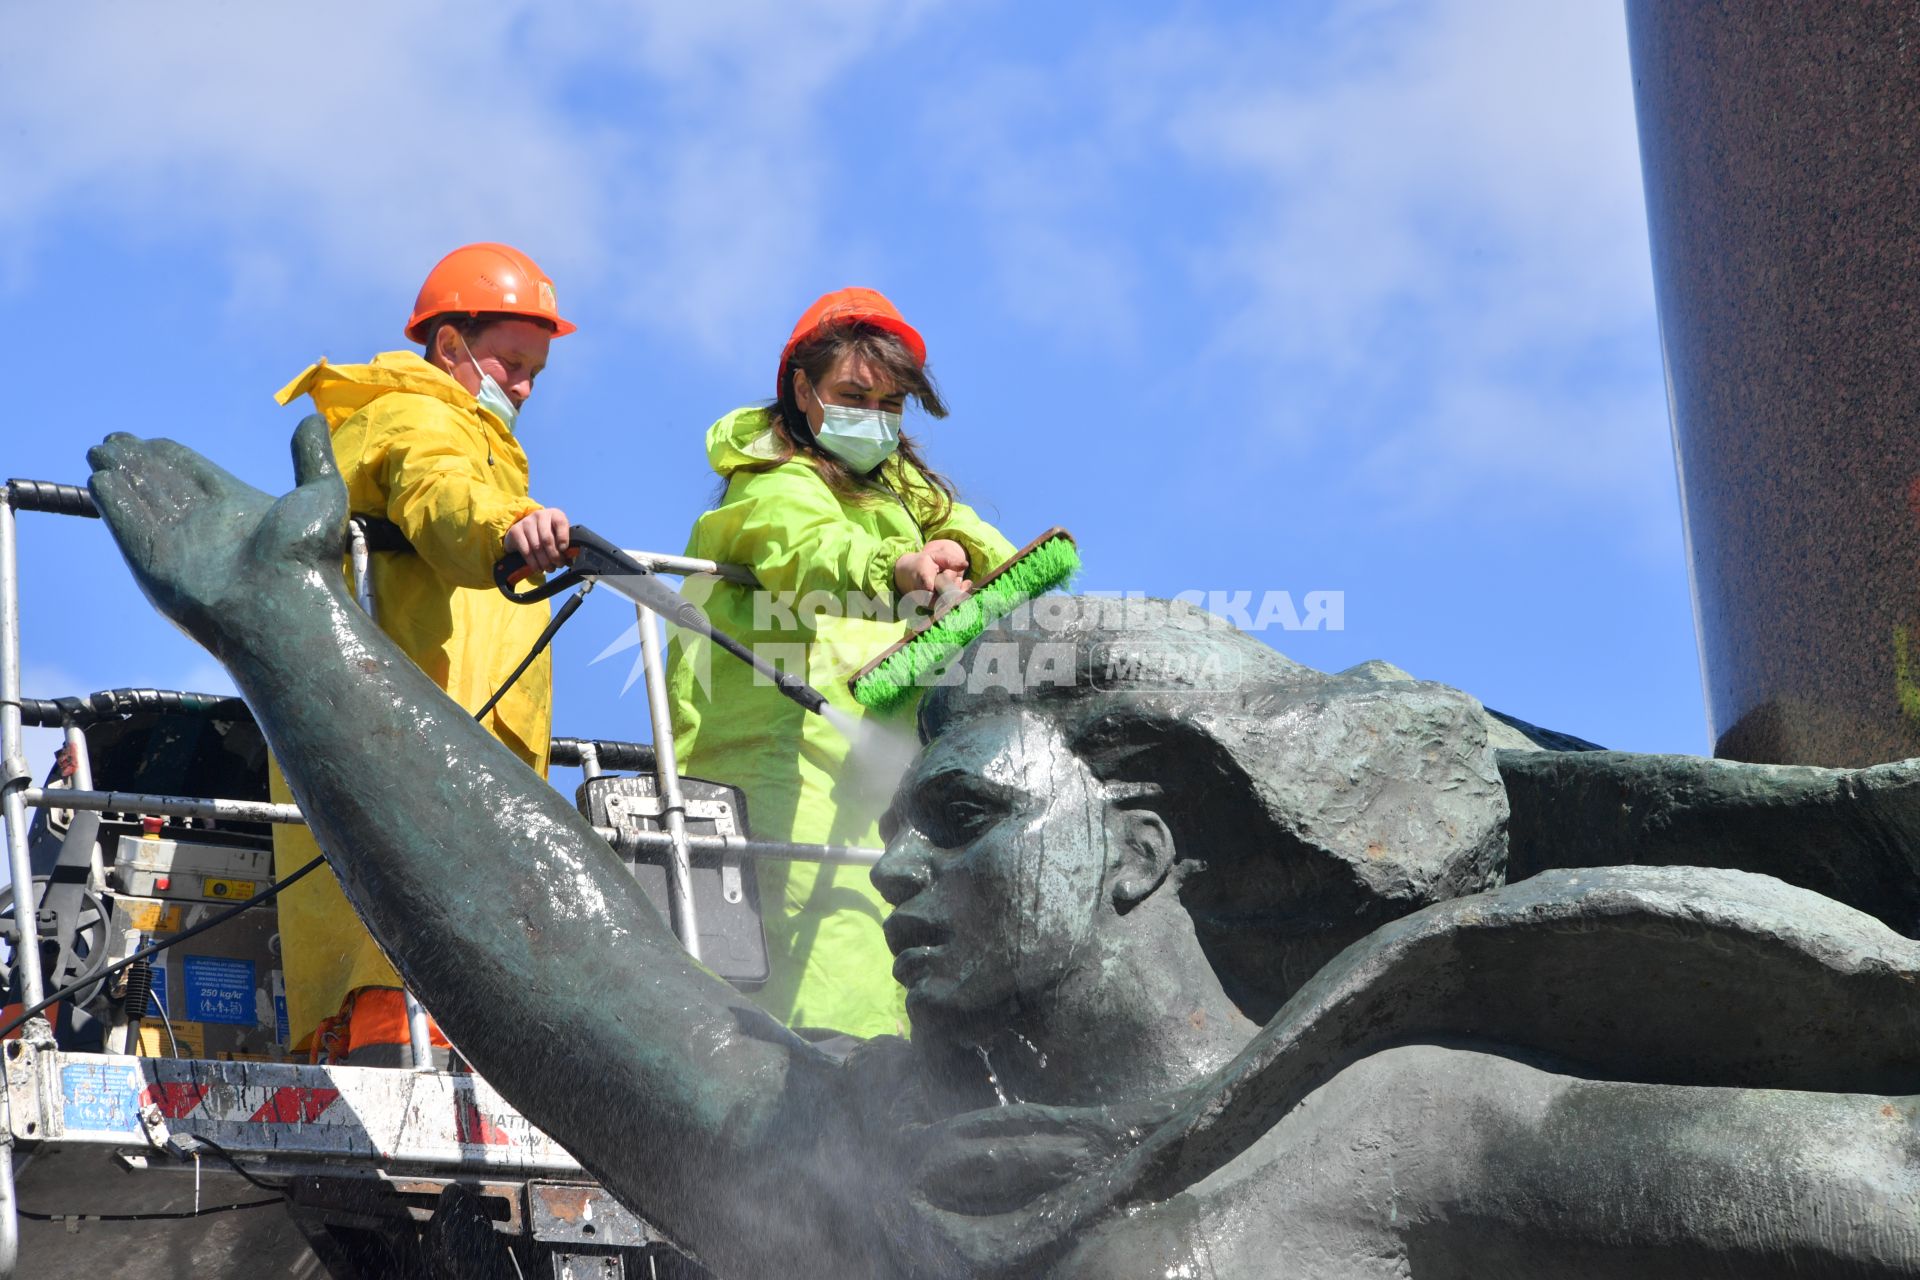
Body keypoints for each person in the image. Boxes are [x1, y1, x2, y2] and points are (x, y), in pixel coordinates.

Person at [82, 431, 1920, 1277]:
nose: (895, 874)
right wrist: (295, 636)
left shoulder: (1417, 1122)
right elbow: (573, 970)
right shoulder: (889, 1186)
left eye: (963, 822)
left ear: (1137, 849)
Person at [666, 287, 1017, 1040]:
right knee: (821, 979)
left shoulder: (903, 495)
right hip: (783, 769)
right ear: (802, 389)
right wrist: (900, 567)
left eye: (891, 404)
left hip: (878, 780)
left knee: (883, 970)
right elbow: (808, 553)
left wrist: (965, 556)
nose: (874, 418)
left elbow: (978, 537)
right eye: (854, 396)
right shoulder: (769, 488)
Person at [266, 242, 577, 1062]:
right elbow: (439, 493)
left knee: (460, 937)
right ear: (448, 346)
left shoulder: (485, 443)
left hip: (458, 741)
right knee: (402, 934)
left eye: (535, 371)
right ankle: (379, 1041)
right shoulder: (410, 414)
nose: (524, 386)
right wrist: (504, 531)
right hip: (410, 732)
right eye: (512, 363)